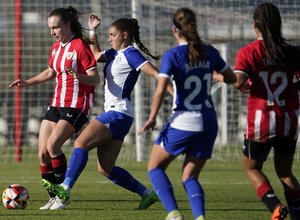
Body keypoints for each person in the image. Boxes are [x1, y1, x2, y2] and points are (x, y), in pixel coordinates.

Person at [41, 14, 163, 210]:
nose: (110, 38)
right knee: (105, 168)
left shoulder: (131, 53)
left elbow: (154, 72)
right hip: (122, 116)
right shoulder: (115, 53)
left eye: (113, 35)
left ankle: (64, 188)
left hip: (118, 113)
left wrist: (168, 83)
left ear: (124, 35)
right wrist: (93, 31)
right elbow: (96, 55)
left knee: (81, 142)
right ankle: (147, 194)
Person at [138, 8, 237, 220]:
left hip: (185, 119)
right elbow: (231, 78)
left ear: (175, 30)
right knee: (189, 176)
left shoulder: (173, 55)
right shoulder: (210, 52)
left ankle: (174, 214)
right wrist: (213, 74)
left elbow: (160, 90)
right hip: (209, 122)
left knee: (154, 168)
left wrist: (152, 117)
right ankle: (200, 217)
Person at [9, 6, 100, 210]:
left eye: (56, 27)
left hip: (76, 105)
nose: (52, 32)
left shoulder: (80, 46)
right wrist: (27, 82)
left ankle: (63, 195)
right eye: (50, 28)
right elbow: (51, 71)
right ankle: (53, 197)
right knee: (42, 153)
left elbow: (96, 78)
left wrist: (78, 76)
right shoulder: (56, 48)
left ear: (67, 25)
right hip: (56, 103)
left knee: (53, 147)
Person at [233, 2, 300, 220]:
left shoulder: (249, 52)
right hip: (288, 119)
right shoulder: (292, 52)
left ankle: (275, 206)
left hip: (261, 120)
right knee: (285, 172)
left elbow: (239, 81)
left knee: (252, 168)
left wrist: (225, 78)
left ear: (255, 25)